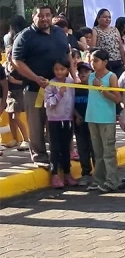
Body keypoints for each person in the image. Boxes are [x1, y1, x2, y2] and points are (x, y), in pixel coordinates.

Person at [11, 4, 71, 167]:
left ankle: (60, 154)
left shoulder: (59, 32)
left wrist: (73, 77)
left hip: (59, 88)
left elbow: (67, 55)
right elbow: (17, 61)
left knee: (59, 122)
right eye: (40, 15)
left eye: (47, 15)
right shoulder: (25, 36)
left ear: (51, 16)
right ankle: (40, 156)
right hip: (35, 89)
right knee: (36, 124)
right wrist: (36, 78)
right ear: (33, 17)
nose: (44, 18)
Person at [85, 49, 122, 192]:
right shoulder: (90, 76)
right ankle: (99, 179)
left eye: (96, 61)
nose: (93, 64)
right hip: (92, 117)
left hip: (106, 118)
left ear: (105, 62)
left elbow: (118, 98)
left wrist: (102, 90)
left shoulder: (111, 77)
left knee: (108, 151)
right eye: (92, 60)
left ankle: (112, 181)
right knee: (97, 152)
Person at [44, 56, 76, 188]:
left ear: (67, 70)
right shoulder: (50, 84)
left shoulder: (70, 82)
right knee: (55, 148)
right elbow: (47, 103)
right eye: (56, 69)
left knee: (65, 148)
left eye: (62, 69)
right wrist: (59, 95)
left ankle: (67, 173)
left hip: (67, 119)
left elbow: (72, 99)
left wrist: (75, 114)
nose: (59, 72)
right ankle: (55, 175)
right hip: (54, 120)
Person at [5, 15, 30, 151]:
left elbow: (25, 81)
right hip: (10, 93)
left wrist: (16, 81)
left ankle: (26, 139)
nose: (9, 56)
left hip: (18, 92)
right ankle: (15, 139)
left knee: (16, 116)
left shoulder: (19, 67)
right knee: (10, 116)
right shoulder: (6, 66)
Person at [73, 62, 93, 186]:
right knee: (83, 149)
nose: (83, 74)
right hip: (80, 123)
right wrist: (76, 115)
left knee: (95, 149)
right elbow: (71, 104)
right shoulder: (76, 88)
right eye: (81, 72)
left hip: (93, 122)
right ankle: (86, 173)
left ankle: (99, 174)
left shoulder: (94, 88)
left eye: (86, 71)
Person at [89, 9, 125, 76]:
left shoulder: (114, 29)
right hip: (104, 64)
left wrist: (124, 63)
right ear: (98, 18)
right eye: (105, 17)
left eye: (109, 17)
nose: (107, 19)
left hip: (118, 62)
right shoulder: (95, 30)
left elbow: (120, 47)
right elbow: (92, 49)